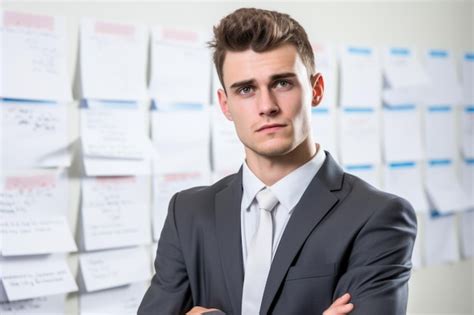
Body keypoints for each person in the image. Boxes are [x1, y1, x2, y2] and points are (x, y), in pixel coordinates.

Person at [138, 7, 417, 315]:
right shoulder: (188, 213)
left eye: (282, 83)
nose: (266, 106)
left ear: (316, 90)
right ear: (225, 105)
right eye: (246, 89)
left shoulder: (378, 217)